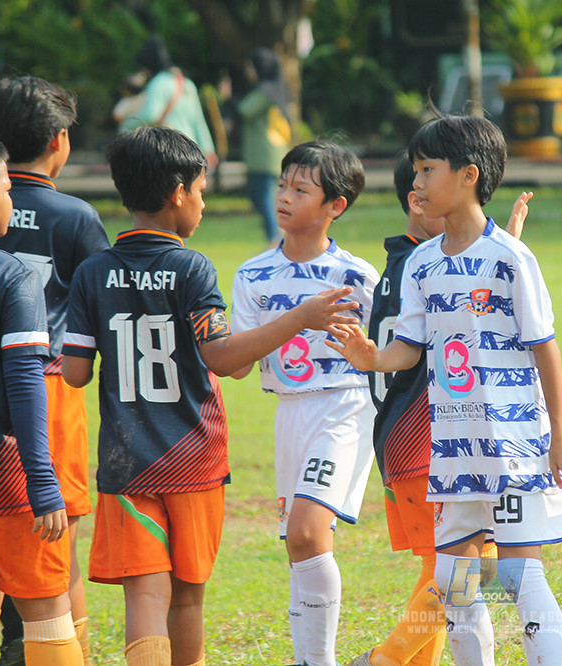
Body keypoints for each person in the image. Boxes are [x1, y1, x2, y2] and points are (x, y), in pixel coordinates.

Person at [60, 126, 362, 666]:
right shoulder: (191, 266)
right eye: (201, 191)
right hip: (193, 458)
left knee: (146, 594)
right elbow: (221, 357)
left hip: (126, 460)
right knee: (189, 595)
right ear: (178, 194)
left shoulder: (92, 272)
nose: (202, 203)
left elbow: (77, 372)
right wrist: (302, 316)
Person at [327, 114, 562, 666]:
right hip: (454, 450)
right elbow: (409, 349)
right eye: (415, 170)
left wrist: (560, 440)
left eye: (426, 169)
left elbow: (546, 348)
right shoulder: (422, 263)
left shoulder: (512, 259)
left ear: (468, 175)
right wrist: (371, 357)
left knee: (517, 574)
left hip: (513, 448)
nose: (415, 183)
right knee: (455, 581)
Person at [348, 154, 532, 666]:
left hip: (409, 443)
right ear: (417, 199)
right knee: (467, 565)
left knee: (453, 566)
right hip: (429, 442)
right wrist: (507, 252)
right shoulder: (430, 266)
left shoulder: (397, 266)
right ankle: (385, 659)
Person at [229, 140, 378, 666]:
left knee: (308, 530)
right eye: (282, 185)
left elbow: (387, 351)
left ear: (336, 206)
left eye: (301, 189)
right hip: (288, 411)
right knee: (300, 545)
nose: (285, 197)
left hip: (344, 404)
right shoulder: (252, 275)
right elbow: (239, 361)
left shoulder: (357, 276)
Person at [0, 75, 111, 665]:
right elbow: (103, 313)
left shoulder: (0, 200)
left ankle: (12, 646)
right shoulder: (76, 215)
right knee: (55, 548)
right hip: (47, 391)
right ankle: (63, 651)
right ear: (59, 141)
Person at [119, 36, 218, 168]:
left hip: (169, 151)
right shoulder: (187, 84)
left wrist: (126, 123)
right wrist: (208, 149)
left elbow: (151, 115)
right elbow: (198, 120)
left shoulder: (157, 83)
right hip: (191, 150)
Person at [237, 47, 292, 245]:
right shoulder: (279, 88)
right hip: (276, 151)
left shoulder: (264, 91)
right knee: (266, 198)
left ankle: (275, 240)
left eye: (250, 67)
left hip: (264, 154)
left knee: (262, 198)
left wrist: (227, 97)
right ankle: (277, 237)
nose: (248, 71)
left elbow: (244, 110)